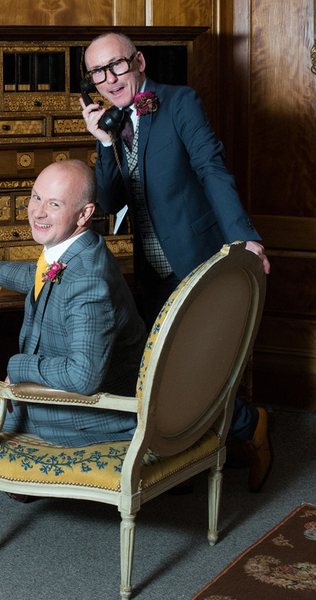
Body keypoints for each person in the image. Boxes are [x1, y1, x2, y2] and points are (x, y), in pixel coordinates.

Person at [80, 32, 273, 493]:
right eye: (98, 73)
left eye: (117, 65)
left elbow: (211, 169)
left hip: (197, 260)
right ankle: (205, 446)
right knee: (162, 372)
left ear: (139, 61)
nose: (110, 79)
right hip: (152, 271)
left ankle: (250, 427)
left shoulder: (180, 102)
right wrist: (103, 143)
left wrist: (244, 238)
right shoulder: (112, 122)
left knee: (202, 364)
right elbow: (109, 202)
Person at [0, 159, 147, 452]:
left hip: (98, 413)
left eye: (54, 204)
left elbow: (83, 377)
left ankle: (33, 476)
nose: (38, 212)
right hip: (88, 398)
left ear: (84, 213)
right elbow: (41, 276)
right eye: (36, 197)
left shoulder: (88, 280)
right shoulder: (82, 247)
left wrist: (18, 367)